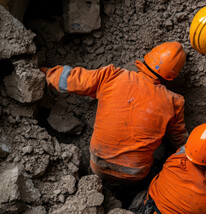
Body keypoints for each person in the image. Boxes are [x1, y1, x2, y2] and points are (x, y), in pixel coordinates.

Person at [41, 42, 188, 187]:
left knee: (97, 176)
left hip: (99, 162)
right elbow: (179, 140)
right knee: (156, 163)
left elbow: (73, 80)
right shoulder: (173, 102)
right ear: (172, 76)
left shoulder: (112, 76)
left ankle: (94, 185)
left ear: (147, 59)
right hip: (135, 174)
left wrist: (47, 73)